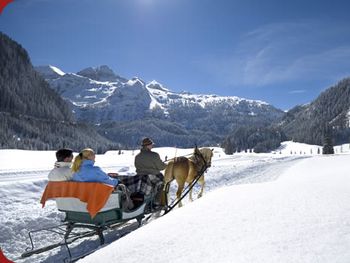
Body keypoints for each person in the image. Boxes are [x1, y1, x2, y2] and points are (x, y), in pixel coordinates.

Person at [134, 137, 166, 207]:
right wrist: (165, 165)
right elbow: (161, 167)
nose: (152, 146)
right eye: (151, 145)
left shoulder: (137, 156)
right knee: (162, 183)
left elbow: (137, 166)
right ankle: (156, 202)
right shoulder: (154, 155)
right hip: (152, 176)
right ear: (148, 146)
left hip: (140, 177)